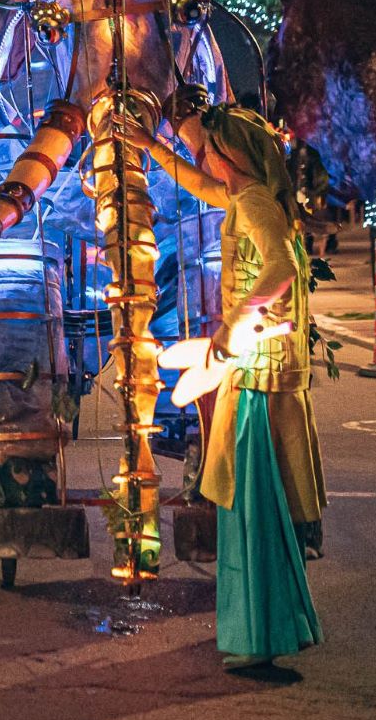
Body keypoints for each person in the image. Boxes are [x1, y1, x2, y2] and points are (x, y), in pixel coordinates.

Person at [123, 85, 325, 672]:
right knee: (247, 508)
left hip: (255, 379)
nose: (205, 159)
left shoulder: (257, 202)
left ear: (227, 154)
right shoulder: (243, 197)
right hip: (248, 373)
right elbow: (199, 185)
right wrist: (150, 146)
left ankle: (258, 638)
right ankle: (263, 631)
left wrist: (232, 328)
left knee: (252, 509)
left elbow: (282, 267)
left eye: (207, 148)